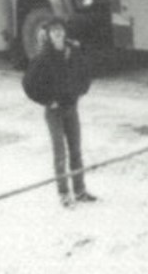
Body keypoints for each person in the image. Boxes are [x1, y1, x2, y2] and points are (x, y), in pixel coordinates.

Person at [22, 18, 96, 208]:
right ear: (48, 34)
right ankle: (64, 193)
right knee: (60, 154)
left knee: (76, 152)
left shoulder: (73, 52)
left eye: (60, 30)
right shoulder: (43, 57)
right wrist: (48, 101)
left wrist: (80, 91)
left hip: (71, 108)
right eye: (54, 31)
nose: (58, 34)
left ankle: (80, 191)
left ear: (64, 32)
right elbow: (29, 84)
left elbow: (85, 73)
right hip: (54, 113)